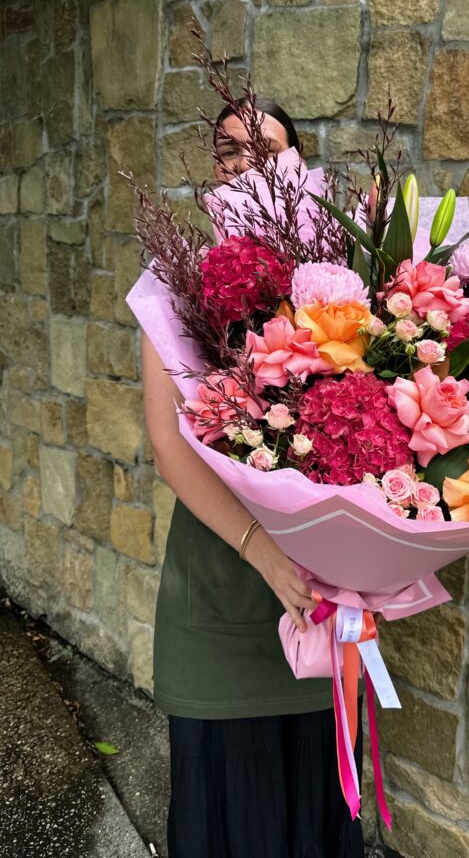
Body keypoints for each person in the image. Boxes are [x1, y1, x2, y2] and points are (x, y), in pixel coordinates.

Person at [142, 96, 364, 858]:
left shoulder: (343, 279)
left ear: (301, 161)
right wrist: (264, 553)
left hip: (319, 607)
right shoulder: (176, 285)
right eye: (228, 150)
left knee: (312, 819)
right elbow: (170, 448)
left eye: (264, 147)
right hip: (218, 593)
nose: (244, 163)